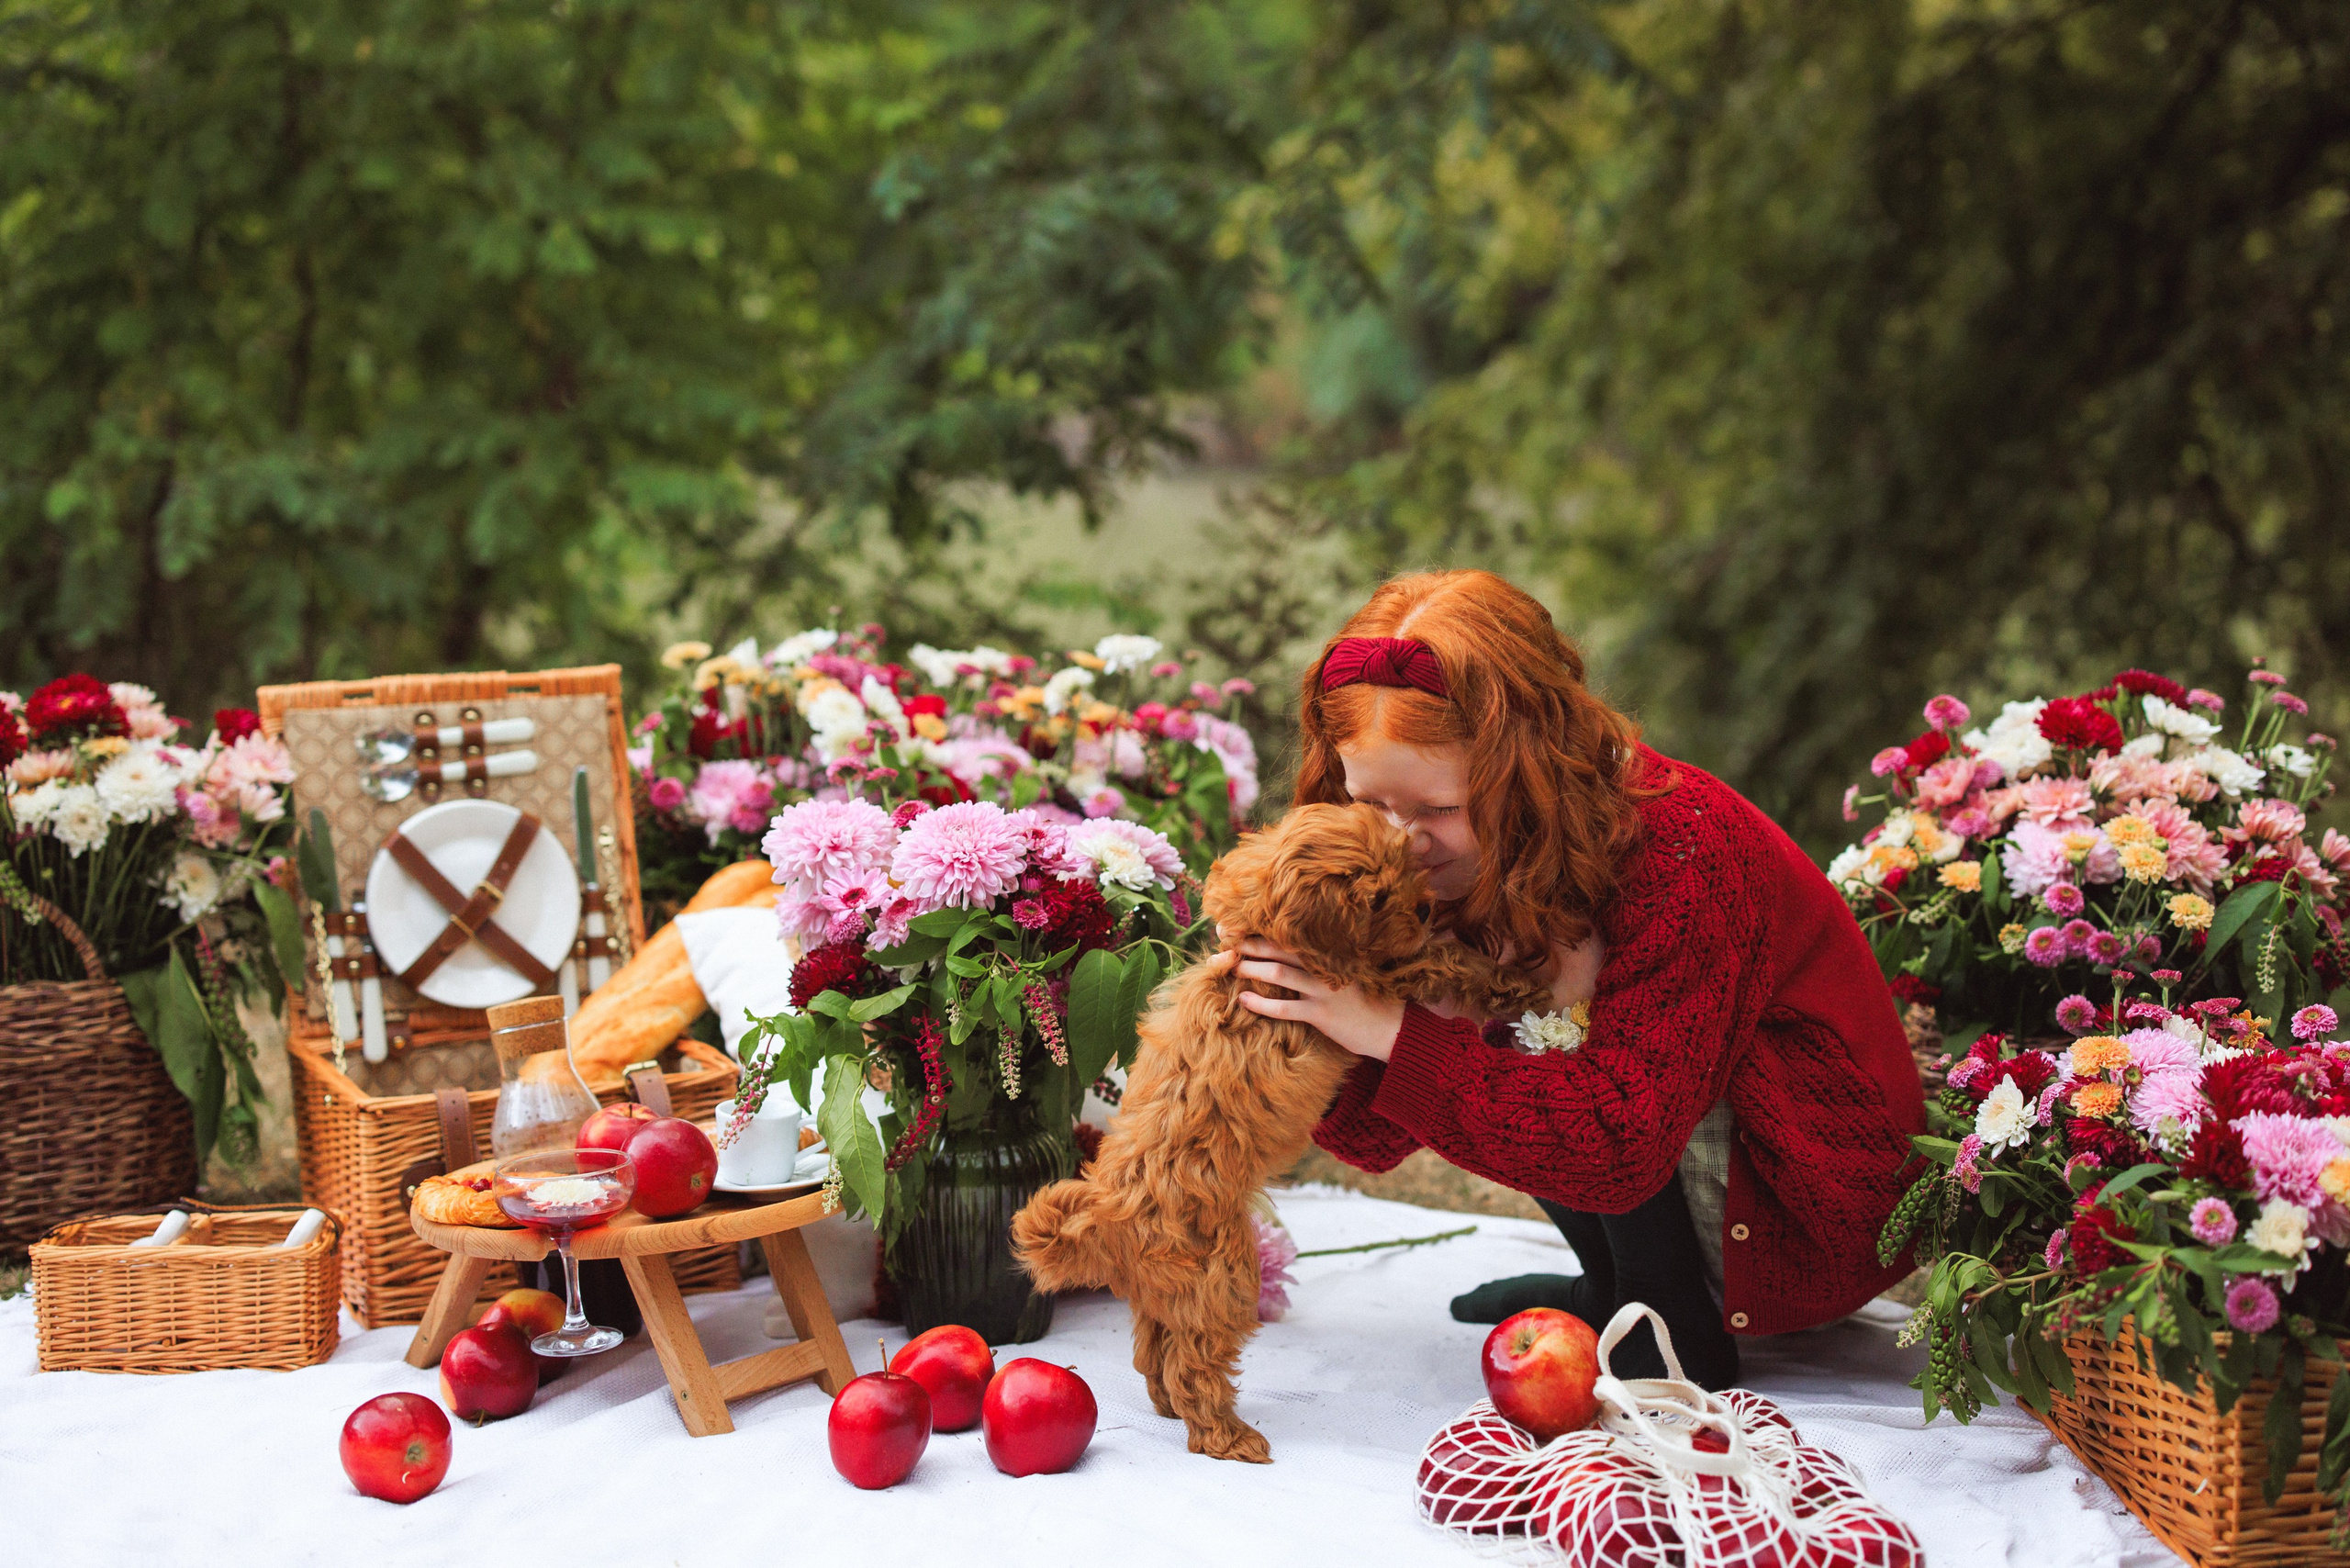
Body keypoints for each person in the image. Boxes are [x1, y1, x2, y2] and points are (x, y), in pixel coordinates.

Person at [1211, 570, 1925, 1389]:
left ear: (1528, 765)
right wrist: (1308, 1006)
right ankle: (1613, 1284)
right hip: (1651, 1154)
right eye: (1371, 803)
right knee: (1511, 1010)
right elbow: (1373, 1138)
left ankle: (1668, 1317)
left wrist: (1391, 1029)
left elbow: (1619, 1144)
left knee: (1544, 1000)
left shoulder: (1684, 847)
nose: (1403, 842)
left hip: (1798, 1205)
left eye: (1439, 808)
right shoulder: (1454, 856)